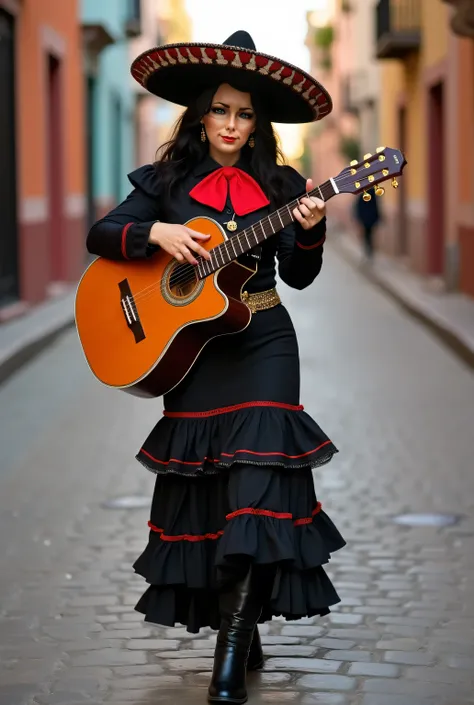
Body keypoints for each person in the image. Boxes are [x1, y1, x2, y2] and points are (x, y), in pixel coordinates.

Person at [86, 30, 345, 705]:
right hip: (192, 354)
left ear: (259, 122)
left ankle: (229, 657)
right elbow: (102, 235)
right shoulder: (167, 182)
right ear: (201, 113)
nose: (232, 125)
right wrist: (155, 233)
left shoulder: (283, 186)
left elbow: (302, 274)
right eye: (221, 110)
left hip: (263, 342)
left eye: (246, 113)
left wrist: (311, 226)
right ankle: (242, 623)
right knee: (210, 496)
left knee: (256, 489)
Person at [353, 186, 380, 261]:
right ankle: (368, 253)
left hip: (365, 219)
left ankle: (368, 253)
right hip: (369, 219)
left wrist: (358, 218)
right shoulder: (371, 194)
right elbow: (376, 207)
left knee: (367, 236)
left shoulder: (364, 195)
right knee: (368, 236)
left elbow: (358, 207)